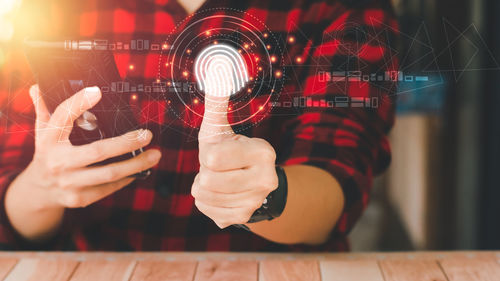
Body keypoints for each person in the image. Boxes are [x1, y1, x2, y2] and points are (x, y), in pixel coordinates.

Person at [0, 0, 398, 251]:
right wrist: (44, 186)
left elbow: (338, 185)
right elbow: (11, 205)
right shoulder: (50, 11)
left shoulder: (344, 9)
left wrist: (262, 198)